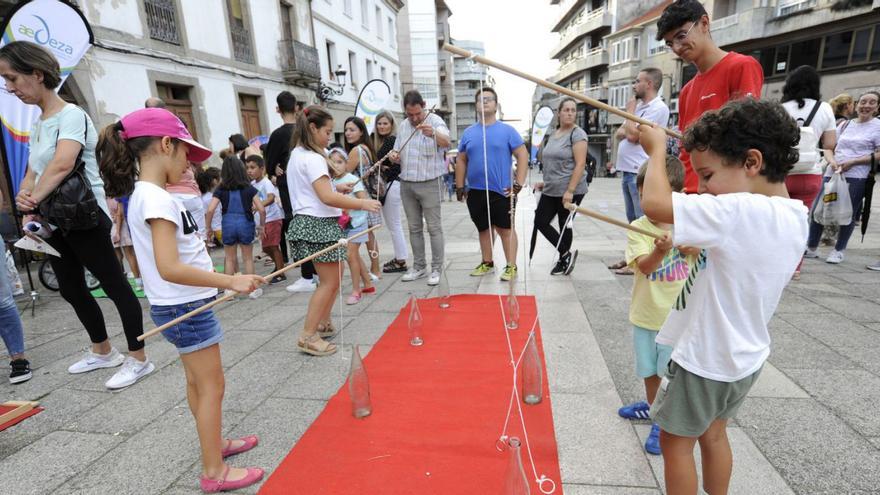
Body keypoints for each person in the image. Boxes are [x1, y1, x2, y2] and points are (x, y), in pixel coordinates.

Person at [638, 98, 807, 495]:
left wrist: (659, 149)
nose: (704, 187)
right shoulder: (794, 215)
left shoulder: (739, 212)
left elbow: (654, 204)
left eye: (708, 174)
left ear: (751, 162)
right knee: (714, 435)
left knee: (673, 442)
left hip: (705, 358)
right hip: (744, 356)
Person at [98, 107, 266, 492]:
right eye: (185, 156)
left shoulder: (146, 195)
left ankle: (215, 445)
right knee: (212, 386)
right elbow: (170, 266)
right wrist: (231, 279)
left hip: (178, 303)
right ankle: (214, 471)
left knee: (198, 383)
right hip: (186, 306)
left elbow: (153, 264)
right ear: (166, 144)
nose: (188, 165)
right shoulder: (155, 198)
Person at [2, 41, 151, 390]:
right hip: (55, 218)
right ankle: (103, 350)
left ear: (37, 74)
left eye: (12, 78)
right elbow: (34, 169)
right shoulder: (39, 122)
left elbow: (63, 163)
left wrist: (31, 200)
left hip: (84, 215)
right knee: (70, 287)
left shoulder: (72, 115)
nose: (9, 88)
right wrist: (28, 196)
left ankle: (139, 357)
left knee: (115, 285)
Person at [618, 157, 698, 455]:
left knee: (669, 375)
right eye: (642, 194)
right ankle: (654, 412)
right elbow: (647, 267)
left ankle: (662, 423)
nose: (645, 201)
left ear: (676, 195)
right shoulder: (639, 227)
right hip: (645, 316)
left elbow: (705, 251)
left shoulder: (689, 225)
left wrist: (694, 245)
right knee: (649, 371)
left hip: (676, 320)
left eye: (653, 194)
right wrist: (660, 250)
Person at [286, 106, 380, 356]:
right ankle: (308, 335)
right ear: (313, 128)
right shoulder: (313, 158)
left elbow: (318, 192)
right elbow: (326, 197)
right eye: (327, 131)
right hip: (317, 223)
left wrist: (341, 191)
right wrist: (362, 202)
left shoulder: (298, 154)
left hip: (308, 222)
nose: (330, 137)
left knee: (331, 279)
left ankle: (323, 323)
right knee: (329, 283)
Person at [657, 0, 764, 193]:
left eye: (681, 36)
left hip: (723, 195)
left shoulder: (741, 66)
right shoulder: (687, 90)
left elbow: (745, 137)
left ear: (704, 24)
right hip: (690, 192)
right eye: (670, 43)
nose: (677, 47)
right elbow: (686, 147)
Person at [456, 87, 529, 282]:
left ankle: (511, 266)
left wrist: (519, 183)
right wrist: (459, 185)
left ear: (496, 105)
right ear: (476, 106)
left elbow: (522, 155)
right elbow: (461, 159)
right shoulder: (469, 133)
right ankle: (487, 262)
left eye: (489, 99)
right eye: (480, 99)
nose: (485, 102)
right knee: (483, 229)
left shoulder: (507, 131)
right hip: (476, 191)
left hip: (502, 190)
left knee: (505, 229)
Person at [805, 91, 880, 265]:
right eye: (863, 102)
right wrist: (832, 162)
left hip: (857, 176)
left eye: (871, 102)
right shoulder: (845, 125)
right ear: (856, 104)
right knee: (819, 209)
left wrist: (854, 161)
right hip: (834, 173)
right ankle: (812, 247)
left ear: (877, 107)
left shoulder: (877, 126)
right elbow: (829, 147)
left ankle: (838, 250)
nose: (866, 105)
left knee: (848, 213)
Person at [608, 68, 671, 276]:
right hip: (627, 170)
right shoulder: (641, 109)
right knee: (632, 219)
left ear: (649, 84)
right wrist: (630, 124)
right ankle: (632, 256)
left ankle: (643, 259)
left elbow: (633, 135)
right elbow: (620, 133)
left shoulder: (657, 108)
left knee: (641, 218)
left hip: (639, 170)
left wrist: (630, 113)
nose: (634, 85)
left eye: (637, 81)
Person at [388, 90, 451, 286]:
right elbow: (396, 150)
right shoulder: (404, 126)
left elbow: (447, 142)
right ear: (405, 111)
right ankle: (419, 266)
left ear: (423, 105)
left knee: (434, 227)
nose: (415, 118)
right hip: (407, 182)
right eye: (410, 114)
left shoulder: (435, 121)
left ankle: (437, 268)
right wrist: (393, 156)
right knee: (414, 228)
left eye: (417, 113)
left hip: (430, 181)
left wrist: (433, 133)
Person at [780, 66, 837, 278]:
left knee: (778, 219)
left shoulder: (781, 108)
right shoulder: (825, 109)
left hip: (781, 172)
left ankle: (775, 263)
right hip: (809, 173)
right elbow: (830, 143)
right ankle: (794, 268)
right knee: (800, 222)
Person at [264, 92, 318, 293]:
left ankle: (307, 274)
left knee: (297, 229)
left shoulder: (278, 135)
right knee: (311, 225)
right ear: (296, 107)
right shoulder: (305, 130)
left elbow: (269, 164)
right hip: (310, 184)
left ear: (278, 109)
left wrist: (275, 170)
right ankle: (316, 271)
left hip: (290, 187)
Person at [534, 97, 589, 276]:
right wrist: (545, 182)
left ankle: (563, 260)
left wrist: (570, 191)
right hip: (552, 188)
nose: (570, 113)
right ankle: (565, 254)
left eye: (573, 110)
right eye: (566, 110)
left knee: (564, 224)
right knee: (540, 221)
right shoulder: (553, 134)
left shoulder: (578, 134)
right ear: (559, 113)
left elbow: (580, 164)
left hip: (571, 189)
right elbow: (551, 161)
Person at [205, 156, 266, 299]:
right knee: (248, 259)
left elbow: (210, 209)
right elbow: (261, 209)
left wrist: (208, 228)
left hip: (228, 224)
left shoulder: (221, 188)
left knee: (230, 258)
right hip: (245, 223)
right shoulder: (248, 187)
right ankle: (252, 290)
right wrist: (261, 226)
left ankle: (229, 291)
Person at [329, 145, 375, 304]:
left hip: (357, 222)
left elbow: (363, 199)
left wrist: (348, 203)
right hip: (342, 224)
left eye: (340, 161)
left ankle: (356, 291)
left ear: (346, 163)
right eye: (333, 162)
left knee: (350, 255)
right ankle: (368, 283)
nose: (336, 165)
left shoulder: (351, 179)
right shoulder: (331, 182)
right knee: (353, 255)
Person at [369, 110, 409, 274]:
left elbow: (377, 160)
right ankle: (400, 258)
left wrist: (382, 167)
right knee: (394, 224)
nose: (382, 126)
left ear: (392, 125)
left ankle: (401, 261)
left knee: (394, 224)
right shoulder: (383, 141)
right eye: (379, 123)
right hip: (391, 185)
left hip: (392, 185)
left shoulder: (392, 140)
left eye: (385, 123)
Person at [343, 116, 382, 281]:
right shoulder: (366, 147)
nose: (347, 133)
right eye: (346, 130)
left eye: (352, 130)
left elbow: (342, 173)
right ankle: (375, 268)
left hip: (360, 198)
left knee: (366, 236)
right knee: (370, 236)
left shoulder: (356, 151)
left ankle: (374, 269)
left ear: (361, 131)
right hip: (368, 196)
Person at [245, 155, 285, 283]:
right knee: (266, 248)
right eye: (247, 168)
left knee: (273, 246)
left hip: (272, 218)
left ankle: (281, 273)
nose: (249, 171)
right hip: (262, 221)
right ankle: (278, 267)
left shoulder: (266, 182)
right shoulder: (251, 184)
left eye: (253, 167)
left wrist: (258, 205)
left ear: (262, 169)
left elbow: (271, 197)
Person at [108, 196, 142, 289]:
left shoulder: (105, 197)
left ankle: (120, 282)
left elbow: (118, 215)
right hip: (122, 227)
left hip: (113, 227)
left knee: (118, 255)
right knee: (130, 255)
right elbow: (120, 215)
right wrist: (118, 232)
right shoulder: (118, 196)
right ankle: (138, 282)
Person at [198, 167, 223, 247]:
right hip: (219, 229)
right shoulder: (211, 198)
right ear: (215, 181)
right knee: (230, 251)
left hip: (217, 229)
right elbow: (207, 214)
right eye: (221, 177)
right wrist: (208, 229)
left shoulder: (205, 197)